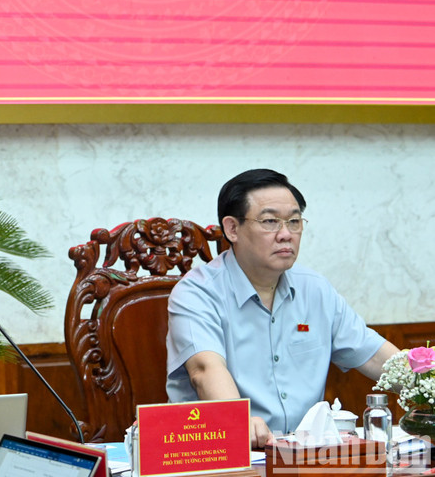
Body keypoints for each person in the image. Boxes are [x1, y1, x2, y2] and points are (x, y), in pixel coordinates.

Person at [165, 169, 399, 449]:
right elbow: (205, 370)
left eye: (294, 221)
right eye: (270, 221)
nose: (286, 234)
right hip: (222, 452)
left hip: (303, 457)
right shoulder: (197, 292)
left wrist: (425, 382)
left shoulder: (315, 289)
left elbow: (377, 358)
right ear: (232, 229)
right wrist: (239, 417)